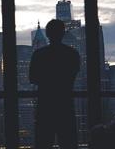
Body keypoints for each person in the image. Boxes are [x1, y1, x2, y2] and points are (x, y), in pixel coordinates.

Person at [29, 19, 80, 149]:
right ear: (63, 33)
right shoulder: (72, 54)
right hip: (65, 104)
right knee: (69, 143)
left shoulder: (39, 55)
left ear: (47, 34)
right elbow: (72, 76)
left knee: (43, 143)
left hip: (45, 105)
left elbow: (33, 78)